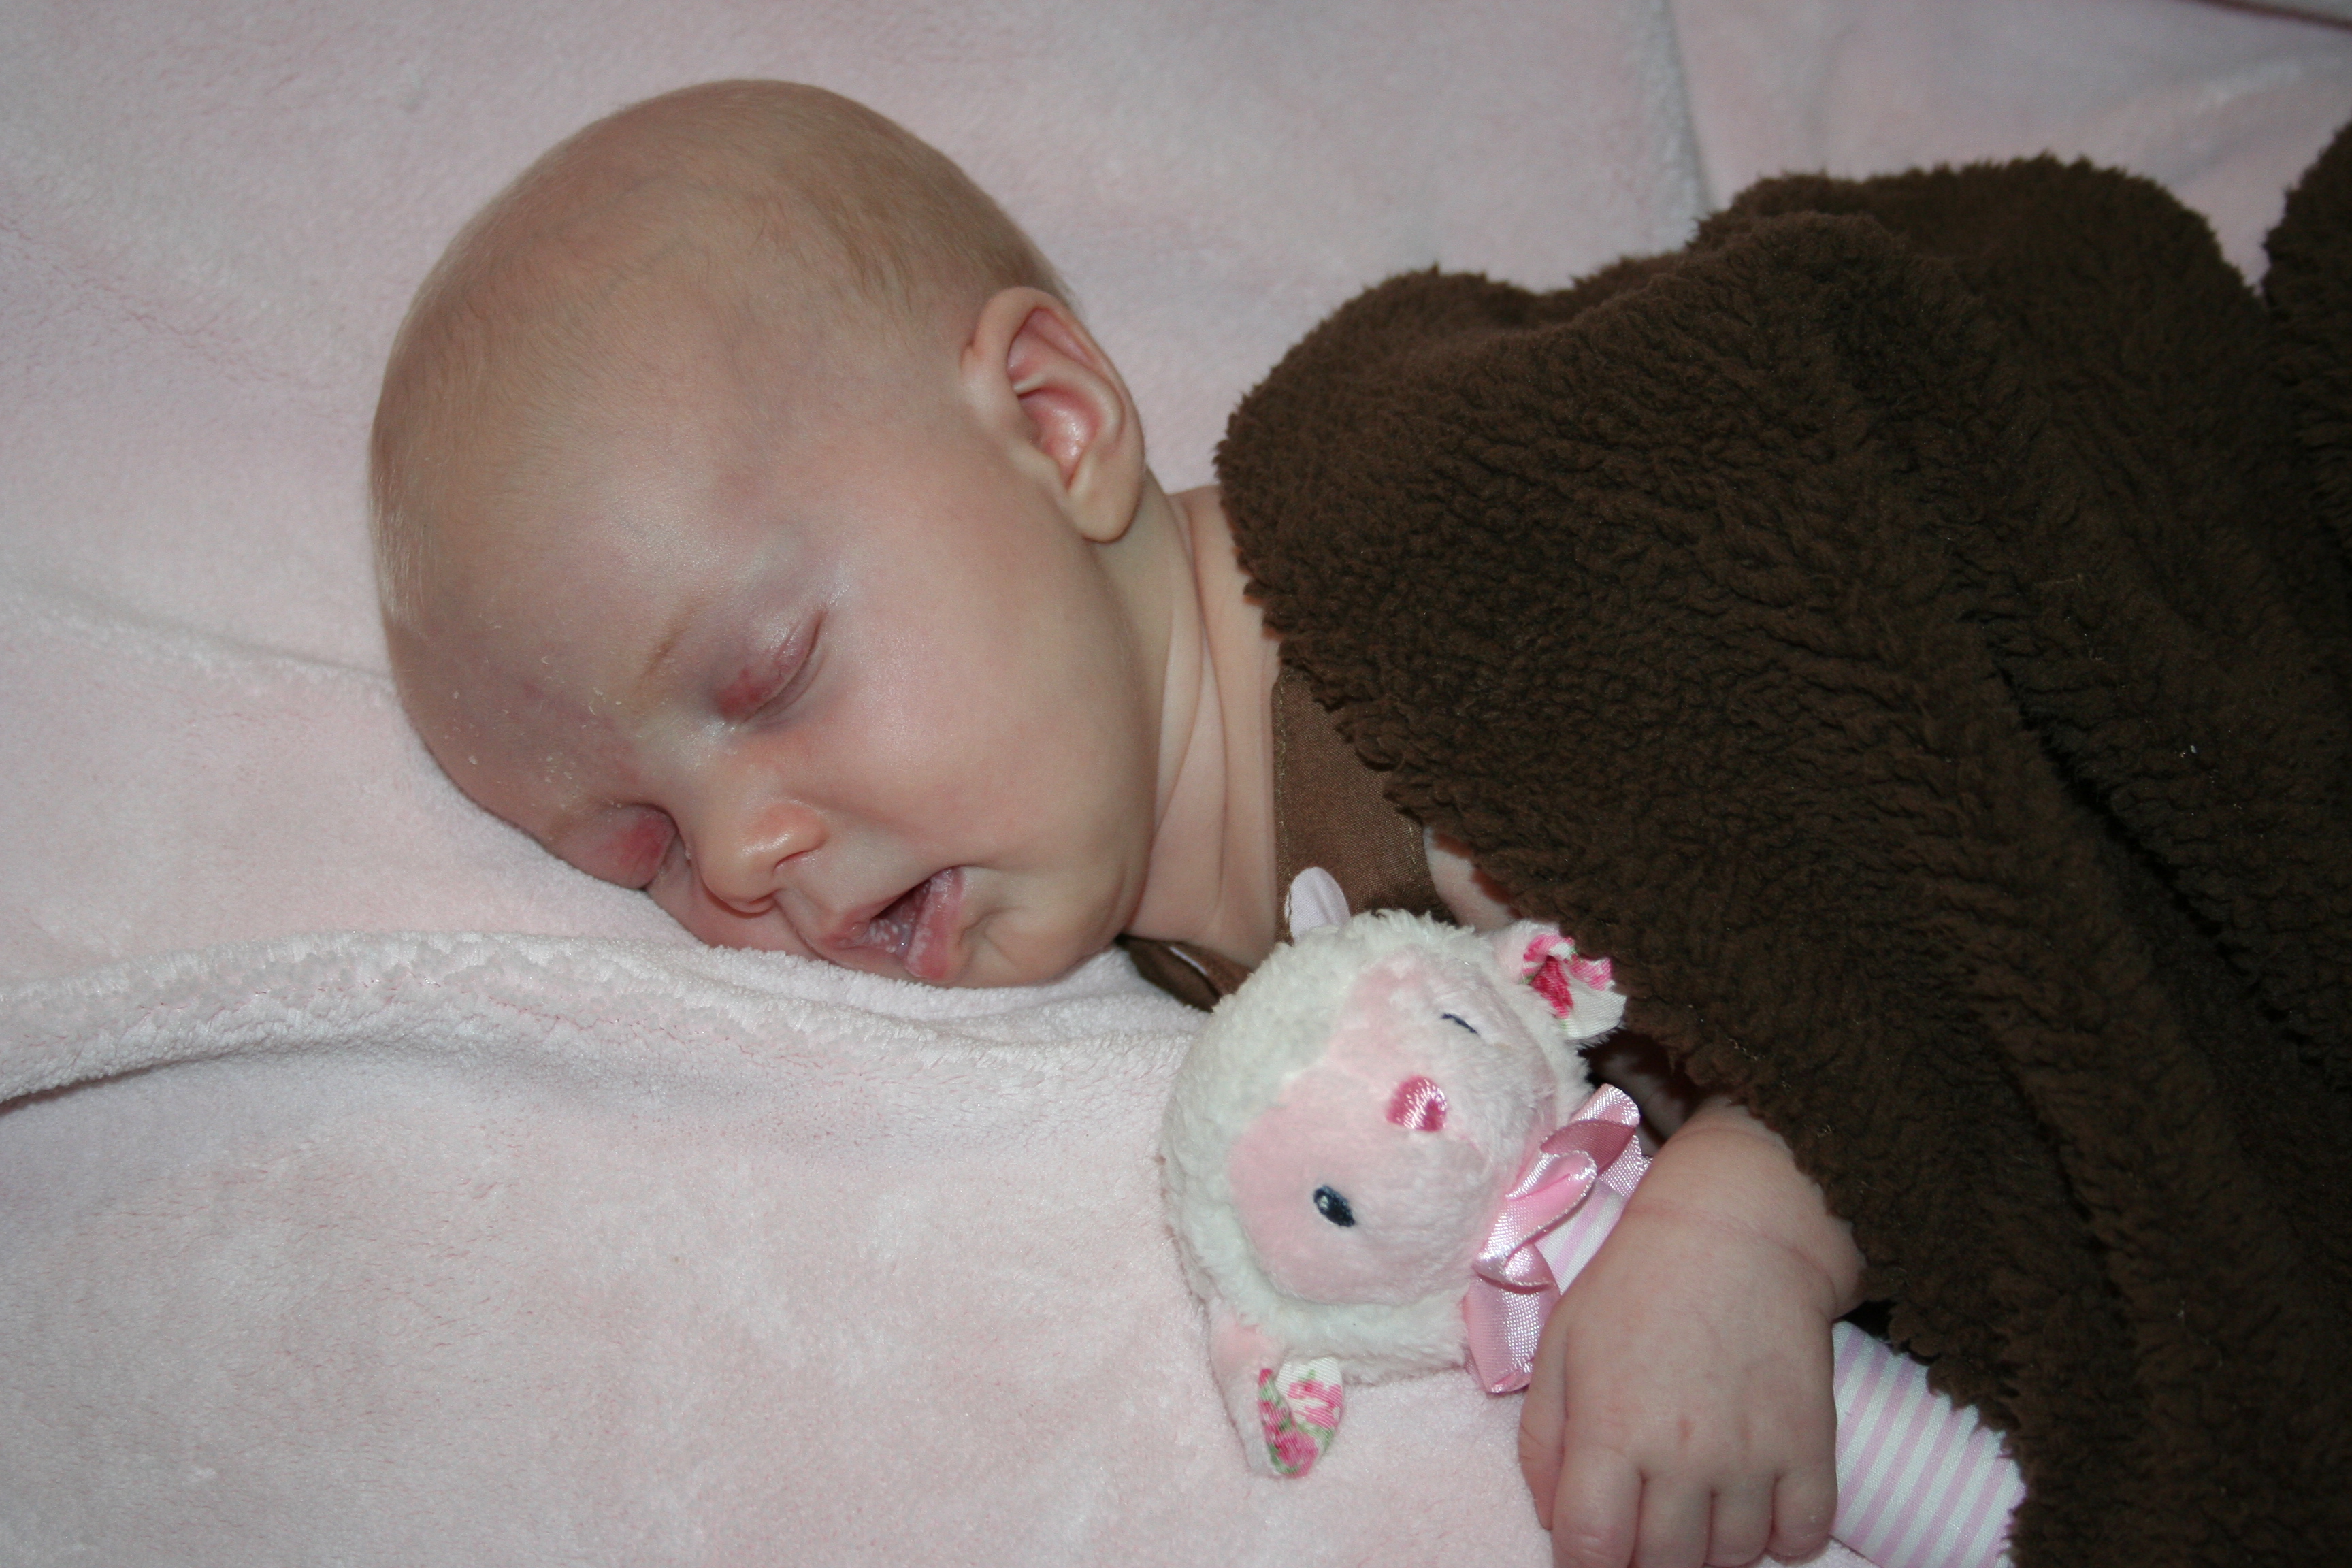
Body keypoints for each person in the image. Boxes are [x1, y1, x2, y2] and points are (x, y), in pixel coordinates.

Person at [372, 79, 2352, 1566]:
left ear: (1054, 427)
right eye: (638, 846)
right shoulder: (1224, 985)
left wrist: (1762, 1206)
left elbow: (1909, 837)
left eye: (770, 674)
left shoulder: (1449, 565)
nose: (740, 857)